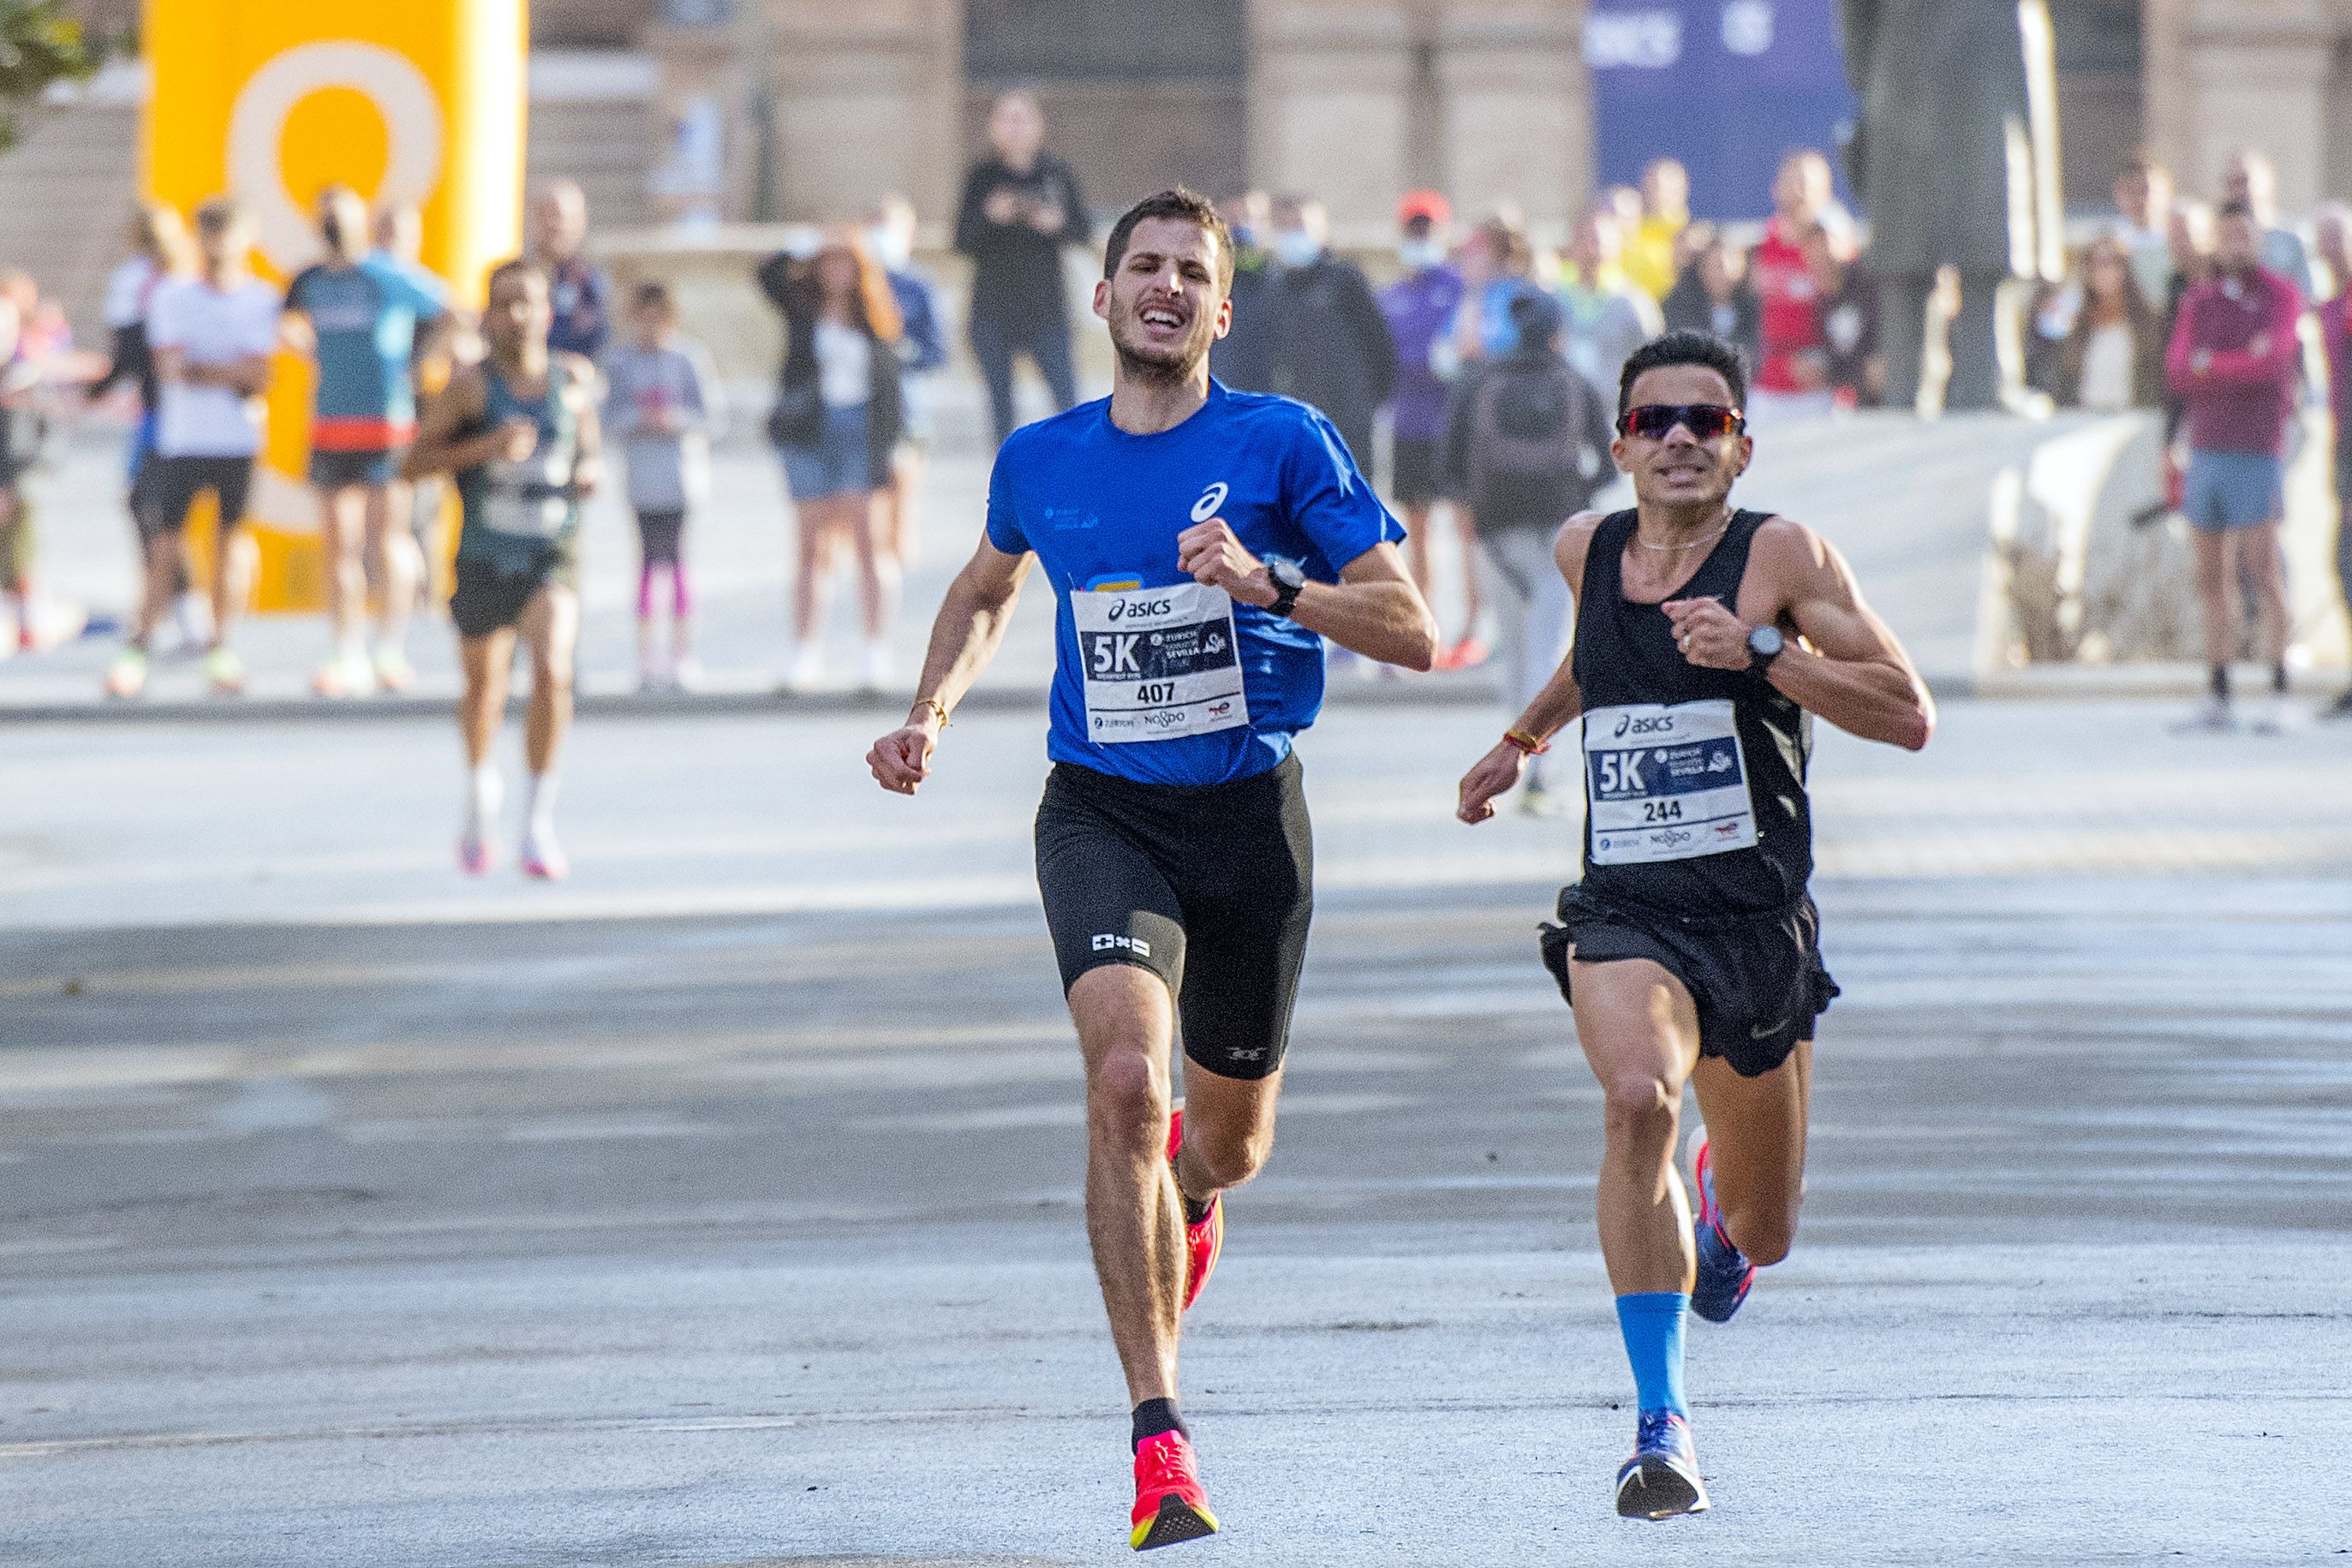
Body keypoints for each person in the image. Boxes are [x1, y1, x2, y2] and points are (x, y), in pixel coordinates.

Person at [866, 188, 1436, 1551]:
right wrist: (929, 708)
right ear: (1104, 297)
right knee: (1126, 1079)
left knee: (1227, 1142)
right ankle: (1159, 1438)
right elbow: (986, 585)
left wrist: (1268, 584)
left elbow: (1412, 629)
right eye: (1143, 266)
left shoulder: (1279, 441)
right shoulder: (1040, 456)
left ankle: (1186, 1189)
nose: (1165, 286)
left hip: (1246, 823)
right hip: (1098, 812)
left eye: (1191, 271)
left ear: (1220, 311)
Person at [1454, 328, 1932, 1520]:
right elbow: (1594, 662)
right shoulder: (1585, 546)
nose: (1677, 438)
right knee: (1635, 1100)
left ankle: (1722, 1215)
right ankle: (1659, 1420)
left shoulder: (1780, 554)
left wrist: (1763, 652)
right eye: (1655, 420)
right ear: (1617, 442)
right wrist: (1517, 741)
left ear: (1738, 444)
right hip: (1625, 911)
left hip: (1757, 922)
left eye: (1704, 421)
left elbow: (1906, 710)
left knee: (1765, 1228)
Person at [404, 259, 604, 879]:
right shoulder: (469, 388)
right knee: (484, 691)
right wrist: (485, 449)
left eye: (530, 302)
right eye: (505, 303)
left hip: (552, 553)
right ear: (488, 313)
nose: (518, 314)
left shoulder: (572, 380)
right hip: (486, 554)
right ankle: (477, 793)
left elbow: (589, 450)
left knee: (552, 671)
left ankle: (538, 822)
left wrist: (590, 473)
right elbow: (411, 465)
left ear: (549, 311)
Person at [1442, 289, 1615, 814]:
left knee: (1515, 650)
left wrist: (1474, 505)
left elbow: (1446, 464)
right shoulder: (1574, 381)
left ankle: (1516, 761)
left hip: (1495, 533)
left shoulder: (1479, 380)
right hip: (1561, 532)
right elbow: (1607, 465)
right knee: (1548, 648)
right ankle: (1538, 773)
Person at [281, 185, 451, 697]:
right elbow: (283, 319)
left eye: (343, 218)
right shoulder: (309, 281)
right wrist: (305, 347)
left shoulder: (383, 274)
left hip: (386, 426)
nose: (334, 227)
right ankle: (345, 650)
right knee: (340, 546)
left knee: (388, 539)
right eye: (327, 217)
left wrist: (421, 365)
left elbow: (450, 309)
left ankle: (390, 647)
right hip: (331, 426)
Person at [104, 198, 278, 700]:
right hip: (181, 442)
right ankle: (138, 647)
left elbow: (260, 375)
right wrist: (229, 373)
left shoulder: (261, 298)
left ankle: (219, 647)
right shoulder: (173, 296)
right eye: (210, 234)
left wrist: (212, 371)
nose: (219, 246)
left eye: (228, 234)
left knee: (229, 545)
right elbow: (174, 368)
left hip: (237, 443)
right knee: (163, 547)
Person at [2166, 200, 2305, 732]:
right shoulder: (2199, 300)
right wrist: (2230, 362)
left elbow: (2271, 365)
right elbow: (2179, 368)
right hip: (2207, 450)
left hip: (2257, 451)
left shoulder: (2280, 295)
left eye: (2244, 235)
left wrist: (2212, 364)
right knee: (2211, 577)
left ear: (2258, 237)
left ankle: (2280, 687)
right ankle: (2219, 689)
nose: (2235, 245)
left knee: (2264, 573)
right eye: (2226, 235)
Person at [757, 231, 905, 693]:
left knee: (868, 543)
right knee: (810, 546)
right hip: (809, 433)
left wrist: (892, 449)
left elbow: (891, 392)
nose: (836, 272)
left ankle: (874, 653)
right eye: (829, 263)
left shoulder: (875, 317)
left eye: (846, 263)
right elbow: (764, 273)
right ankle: (805, 652)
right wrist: (801, 247)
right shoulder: (802, 309)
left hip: (860, 430)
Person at [604, 279, 724, 690]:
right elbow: (608, 419)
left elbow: (711, 415)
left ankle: (681, 652)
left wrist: (673, 420)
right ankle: (646, 656)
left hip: (679, 479)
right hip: (641, 480)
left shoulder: (688, 358)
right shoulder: (620, 362)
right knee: (644, 565)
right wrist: (640, 421)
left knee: (677, 564)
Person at [954, 90, 1089, 448]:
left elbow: (1083, 230)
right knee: (1000, 406)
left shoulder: (1056, 172)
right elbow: (961, 240)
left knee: (1067, 400)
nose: (1015, 129)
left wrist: (1054, 223)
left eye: (1023, 119)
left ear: (1038, 126)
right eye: (1007, 120)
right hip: (994, 307)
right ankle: (1007, 481)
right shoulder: (982, 176)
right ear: (994, 127)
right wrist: (989, 217)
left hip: (1046, 306)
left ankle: (1078, 471)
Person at [1378, 189, 1477, 661]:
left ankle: (1474, 626)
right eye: (1413, 231)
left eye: (1427, 230)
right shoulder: (1391, 295)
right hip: (1409, 425)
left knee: (1465, 527)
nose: (1420, 238)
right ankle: (1426, 624)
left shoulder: (1459, 288)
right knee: (1415, 531)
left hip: (1454, 426)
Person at [1263, 194, 1394, 477]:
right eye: (1285, 228)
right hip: (1298, 423)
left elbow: (1380, 346)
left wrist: (1368, 403)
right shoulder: (1274, 287)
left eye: (1300, 226)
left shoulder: (1345, 280)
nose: (1293, 235)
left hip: (1349, 422)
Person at [866, 195, 948, 569]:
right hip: (861, 408)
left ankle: (898, 574)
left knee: (901, 500)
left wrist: (902, 354)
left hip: (905, 409)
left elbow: (938, 353)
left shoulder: (919, 288)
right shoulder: (856, 284)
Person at [1749, 153, 1836, 423]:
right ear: (1775, 189)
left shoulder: (1838, 254)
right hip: (1767, 390)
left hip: (1820, 392)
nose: (1799, 191)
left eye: (1807, 183)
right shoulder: (1761, 248)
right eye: (1792, 181)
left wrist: (1829, 365)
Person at [1555, 203, 1663, 401]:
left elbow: (1654, 365)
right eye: (1585, 240)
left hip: (1613, 416)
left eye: (1599, 242)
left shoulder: (1634, 303)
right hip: (1566, 414)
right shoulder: (1555, 300)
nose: (1592, 251)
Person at [2051, 234, 2165, 413]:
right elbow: (2064, 387)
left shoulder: (2149, 325)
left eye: (2110, 262)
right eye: (2094, 264)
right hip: (2084, 424)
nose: (2103, 272)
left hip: (2136, 424)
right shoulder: (2076, 329)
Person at [2315, 206, 2352, 720]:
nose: (2331, 247)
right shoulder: (2328, 310)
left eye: (2338, 236)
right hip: (2343, 446)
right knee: (2343, 563)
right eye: (2324, 238)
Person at [529, 179, 611, 361]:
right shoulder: (517, 277)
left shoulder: (590, 279)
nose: (552, 224)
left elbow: (594, 336)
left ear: (580, 222)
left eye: (559, 215)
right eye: (544, 214)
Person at [2221, 149, 2315, 305]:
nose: (2238, 190)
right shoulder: (2220, 239)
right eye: (2231, 183)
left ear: (2267, 183)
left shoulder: (2293, 238)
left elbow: (2307, 294)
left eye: (2244, 181)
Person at [1660, 225, 1762, 370]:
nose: (1724, 271)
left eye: (1731, 262)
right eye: (1716, 265)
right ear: (1702, 269)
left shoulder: (1757, 308)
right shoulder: (1679, 307)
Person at [1806, 226, 1882, 410]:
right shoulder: (1818, 302)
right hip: (1848, 401)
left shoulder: (1867, 286)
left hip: (1885, 395)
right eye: (1814, 256)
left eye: (1826, 251)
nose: (1821, 260)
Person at [1207, 190, 1275, 393]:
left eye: (1249, 218)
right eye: (1232, 218)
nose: (1240, 225)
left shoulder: (1281, 283)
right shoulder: (1205, 283)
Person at [2113, 152, 2176, 305]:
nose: (2139, 199)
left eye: (2145, 190)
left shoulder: (2178, 239)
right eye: (2130, 191)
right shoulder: (2113, 242)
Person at [1622, 158, 1690, 303]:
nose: (1655, 194)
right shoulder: (1630, 233)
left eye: (1661, 187)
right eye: (1650, 186)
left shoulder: (1693, 237)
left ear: (1682, 191)